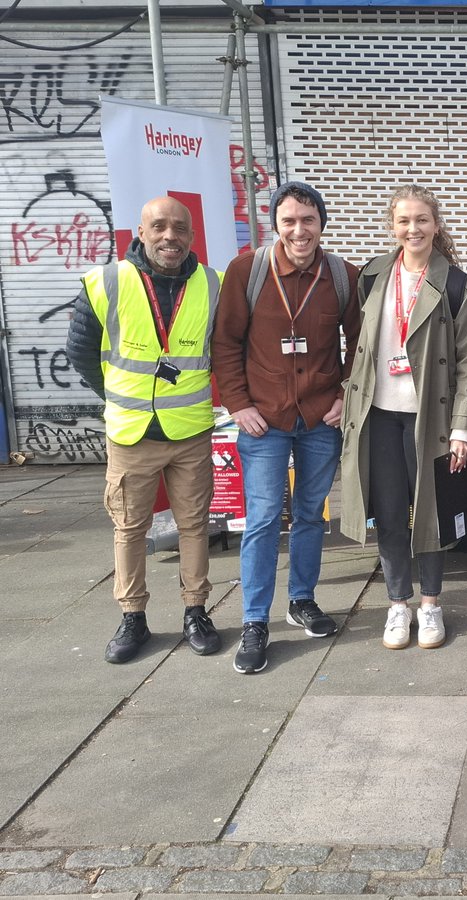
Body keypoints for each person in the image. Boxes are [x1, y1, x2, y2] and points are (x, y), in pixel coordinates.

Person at [213, 182, 362, 674]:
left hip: (320, 417)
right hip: (264, 421)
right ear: (274, 224)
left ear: (322, 222)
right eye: (289, 221)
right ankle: (255, 620)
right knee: (260, 521)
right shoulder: (247, 272)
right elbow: (225, 344)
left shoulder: (342, 275)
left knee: (311, 516)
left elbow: (362, 344)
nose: (300, 230)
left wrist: (345, 393)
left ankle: (302, 599)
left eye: (308, 220)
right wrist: (237, 404)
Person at [66, 196, 222, 664]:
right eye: (159, 227)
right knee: (129, 528)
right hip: (132, 433)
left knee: (195, 526)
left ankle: (196, 611)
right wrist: (117, 396)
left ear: (191, 236)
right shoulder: (106, 282)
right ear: (140, 231)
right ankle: (133, 616)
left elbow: (226, 349)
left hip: (190, 432)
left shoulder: (213, 284)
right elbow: (80, 351)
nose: (169, 236)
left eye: (179, 228)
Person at [340, 185, 467, 650]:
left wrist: (463, 427)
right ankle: (398, 604)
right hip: (379, 414)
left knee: (431, 514)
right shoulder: (373, 275)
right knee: (388, 515)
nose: (413, 229)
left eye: (422, 220)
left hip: (431, 421)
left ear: (436, 225)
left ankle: (432, 605)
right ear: (392, 226)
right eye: (404, 221)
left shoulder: (459, 285)